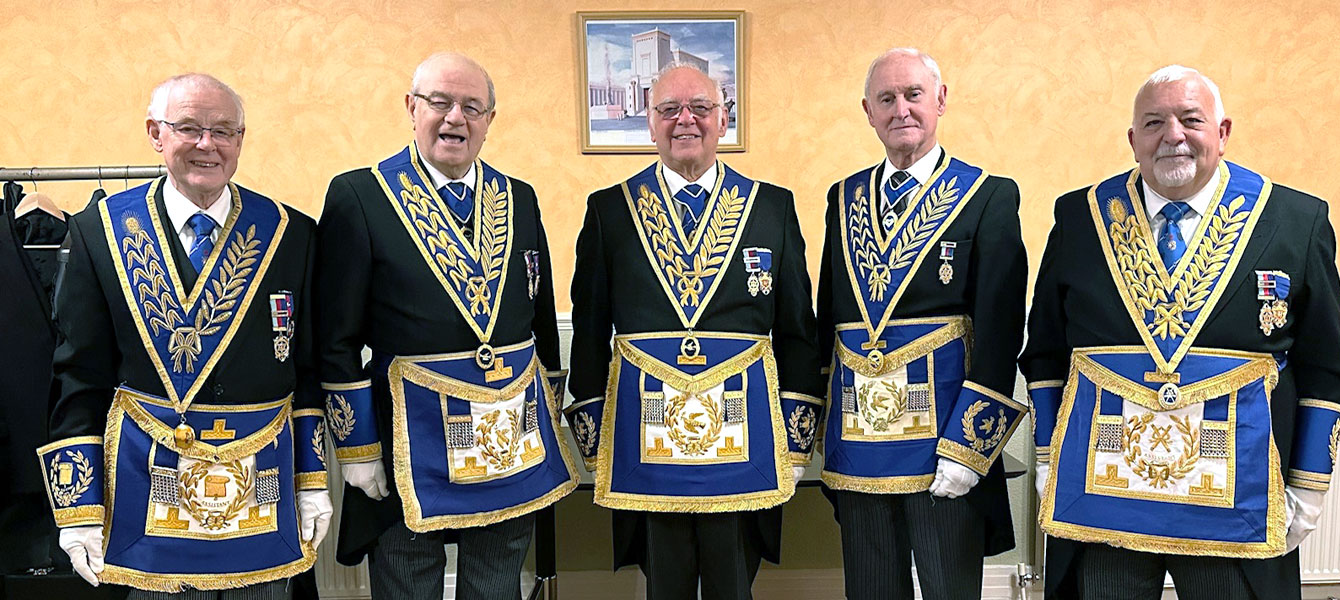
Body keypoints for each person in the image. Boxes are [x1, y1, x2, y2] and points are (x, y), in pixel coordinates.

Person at [1021, 65, 1340, 600]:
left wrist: (1307, 486)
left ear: (1222, 132)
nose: (1172, 136)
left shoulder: (1296, 219)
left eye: (1190, 120)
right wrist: (1046, 459)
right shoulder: (1080, 217)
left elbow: (1327, 371)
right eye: (1153, 123)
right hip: (1105, 502)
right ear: (1134, 140)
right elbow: (1045, 355)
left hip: (1237, 504)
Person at [39, 73, 331, 597]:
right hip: (147, 495)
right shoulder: (99, 231)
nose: (207, 145)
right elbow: (79, 374)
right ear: (155, 133)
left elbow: (305, 371)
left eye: (223, 131)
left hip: (262, 495)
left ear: (241, 140)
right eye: (189, 128)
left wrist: (312, 481)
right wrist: (77, 508)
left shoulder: (291, 233)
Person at [315, 52, 577, 599]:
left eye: (472, 107)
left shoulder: (519, 197)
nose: (455, 118)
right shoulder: (360, 195)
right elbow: (334, 338)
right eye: (440, 102)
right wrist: (359, 453)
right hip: (406, 446)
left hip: (510, 439)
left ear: (489, 121)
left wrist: (549, 416)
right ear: (412, 108)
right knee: (407, 585)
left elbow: (540, 326)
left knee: (495, 586)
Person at [566, 63, 824, 600]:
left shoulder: (772, 207)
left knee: (734, 583)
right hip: (647, 441)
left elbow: (798, 330)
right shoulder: (609, 211)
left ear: (723, 118)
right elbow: (589, 331)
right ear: (650, 123)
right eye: (669, 110)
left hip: (743, 439)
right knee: (665, 583)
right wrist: (594, 437)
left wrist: (796, 445)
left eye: (700, 108)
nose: (686, 120)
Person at [814, 48, 1028, 598]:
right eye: (886, 99)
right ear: (868, 110)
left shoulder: (988, 196)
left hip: (943, 445)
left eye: (913, 95)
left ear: (941, 100)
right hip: (860, 444)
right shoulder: (843, 198)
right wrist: (821, 428)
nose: (901, 110)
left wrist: (969, 447)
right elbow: (828, 321)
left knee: (947, 588)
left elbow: (1001, 334)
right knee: (870, 588)